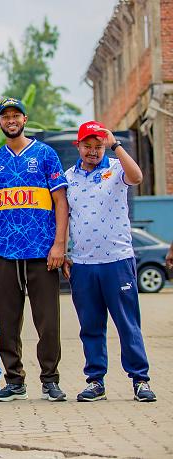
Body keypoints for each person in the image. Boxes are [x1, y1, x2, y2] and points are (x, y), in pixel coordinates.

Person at [0, 98, 69, 402]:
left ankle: (50, 380)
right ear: (0, 122)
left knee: (48, 322)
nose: (11, 120)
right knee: (7, 323)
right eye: (5, 116)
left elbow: (60, 202)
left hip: (41, 252)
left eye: (15, 115)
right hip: (4, 252)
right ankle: (14, 381)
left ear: (24, 119)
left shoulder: (45, 154)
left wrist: (59, 244)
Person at [62, 121, 156, 402]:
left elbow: (137, 177)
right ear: (78, 146)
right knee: (90, 326)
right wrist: (64, 252)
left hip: (117, 260)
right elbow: (65, 217)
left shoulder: (116, 168)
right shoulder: (69, 177)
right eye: (87, 146)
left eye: (98, 146)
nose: (92, 151)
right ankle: (95, 381)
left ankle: (140, 380)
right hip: (83, 265)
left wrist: (116, 145)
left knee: (127, 324)